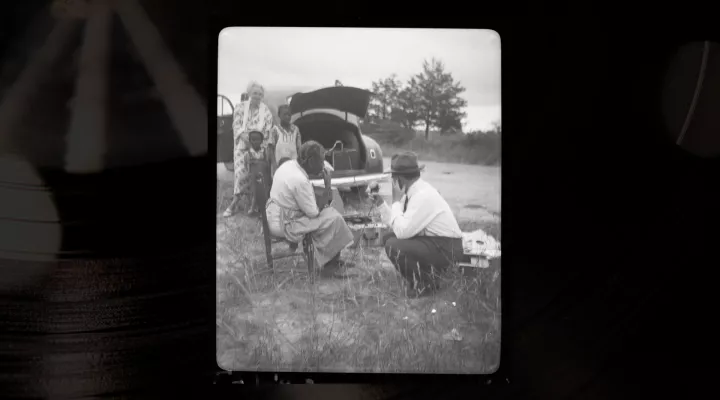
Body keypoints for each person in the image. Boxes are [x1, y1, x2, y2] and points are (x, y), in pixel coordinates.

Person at [370, 151, 464, 297]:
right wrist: (380, 203)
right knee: (388, 237)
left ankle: (426, 284)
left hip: (448, 248)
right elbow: (397, 223)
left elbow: (402, 232)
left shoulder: (422, 196)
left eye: (393, 178)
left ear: (400, 178)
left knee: (393, 245)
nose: (392, 181)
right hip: (437, 243)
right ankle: (420, 278)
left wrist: (395, 200)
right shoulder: (413, 191)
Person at [266, 141, 354, 279]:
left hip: (274, 215)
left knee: (330, 214)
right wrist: (327, 185)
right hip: (285, 223)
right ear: (311, 161)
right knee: (335, 218)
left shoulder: (288, 166)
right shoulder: (299, 179)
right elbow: (313, 213)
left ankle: (332, 260)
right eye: (322, 161)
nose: (323, 165)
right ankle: (329, 266)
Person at [223, 81, 274, 217]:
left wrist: (259, 147)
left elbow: (268, 130)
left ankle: (255, 205)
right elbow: (237, 127)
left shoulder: (266, 111)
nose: (257, 96)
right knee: (241, 175)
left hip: (259, 148)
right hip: (242, 147)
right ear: (249, 93)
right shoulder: (240, 108)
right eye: (255, 93)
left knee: (257, 175)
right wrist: (249, 141)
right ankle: (234, 203)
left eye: (260, 94)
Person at [242, 130, 272, 216]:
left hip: (264, 176)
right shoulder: (247, 154)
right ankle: (253, 208)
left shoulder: (265, 152)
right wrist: (248, 175)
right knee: (254, 192)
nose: (255, 142)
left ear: (262, 141)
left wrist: (269, 176)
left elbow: (268, 164)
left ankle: (264, 209)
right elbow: (246, 166)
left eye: (258, 139)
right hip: (253, 177)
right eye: (253, 139)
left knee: (264, 192)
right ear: (250, 141)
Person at [269, 104, 301, 175]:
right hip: (278, 164)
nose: (287, 117)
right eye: (285, 114)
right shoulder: (275, 130)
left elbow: (299, 147)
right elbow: (271, 149)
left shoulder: (295, 129)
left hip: (294, 163)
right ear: (279, 115)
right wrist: (274, 164)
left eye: (289, 115)